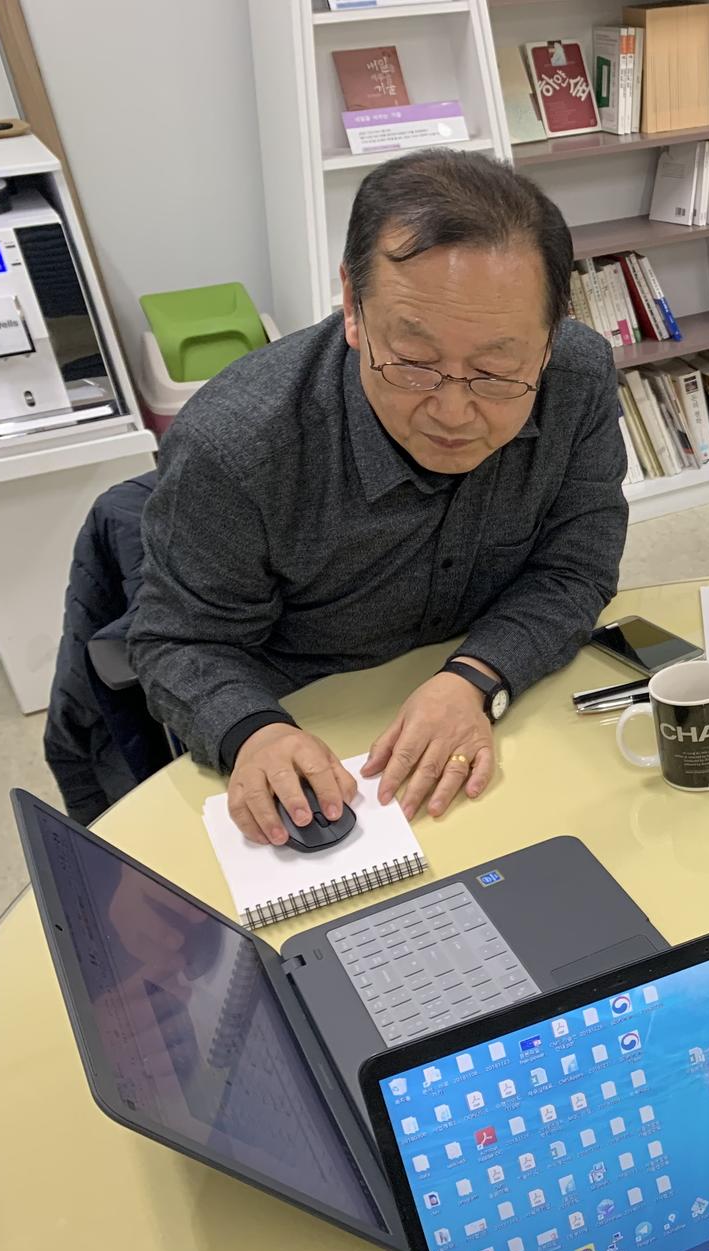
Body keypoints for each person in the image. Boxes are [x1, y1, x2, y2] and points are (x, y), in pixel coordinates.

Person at [129, 150, 626, 845]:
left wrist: (475, 678)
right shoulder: (238, 445)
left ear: (550, 338)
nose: (453, 413)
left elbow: (576, 565)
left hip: (499, 711)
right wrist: (255, 732)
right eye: (415, 363)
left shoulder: (579, 375)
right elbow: (179, 638)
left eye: (496, 372)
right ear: (353, 307)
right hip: (318, 744)